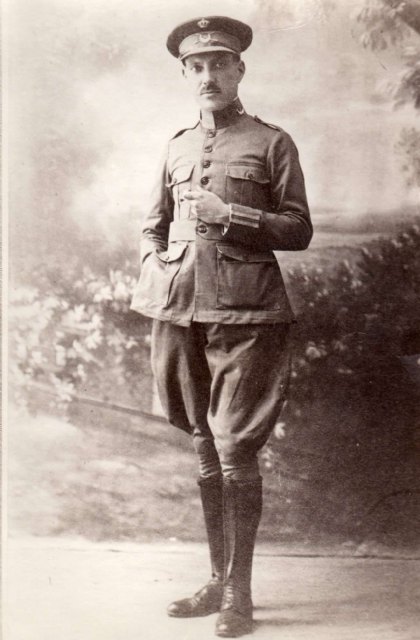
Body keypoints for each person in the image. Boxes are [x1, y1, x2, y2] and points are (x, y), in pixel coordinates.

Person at [131, 15, 312, 638]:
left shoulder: (272, 142)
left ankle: (240, 592)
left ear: (239, 69)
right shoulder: (176, 145)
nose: (208, 75)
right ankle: (216, 579)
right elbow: (152, 225)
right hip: (180, 311)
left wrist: (229, 212)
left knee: (235, 448)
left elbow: (298, 229)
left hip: (248, 313)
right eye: (197, 67)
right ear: (187, 75)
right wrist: (159, 267)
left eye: (219, 64)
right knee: (202, 444)